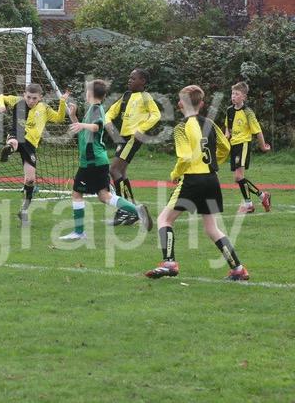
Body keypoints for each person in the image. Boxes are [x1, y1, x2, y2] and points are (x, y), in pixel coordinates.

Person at [145, 85, 249, 281]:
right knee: (212, 228)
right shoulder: (210, 123)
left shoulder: (181, 128)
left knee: (164, 220)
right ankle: (238, 269)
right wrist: (213, 162)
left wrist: (175, 173)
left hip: (193, 180)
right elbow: (226, 147)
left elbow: (185, 157)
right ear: (201, 103)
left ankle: (169, 263)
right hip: (211, 179)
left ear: (181, 104)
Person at [60, 80, 152, 240]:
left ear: (90, 93)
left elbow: (96, 127)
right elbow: (84, 131)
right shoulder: (93, 109)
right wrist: (74, 117)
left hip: (91, 162)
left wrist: (81, 124)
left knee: (76, 194)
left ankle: (79, 232)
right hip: (98, 161)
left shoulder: (96, 109)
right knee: (104, 196)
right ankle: (137, 210)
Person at [0, 83, 69, 225]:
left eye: (34, 98)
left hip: (30, 145)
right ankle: (8, 150)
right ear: (24, 95)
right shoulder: (17, 101)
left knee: (30, 180)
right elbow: (0, 97)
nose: (30, 100)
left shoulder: (44, 108)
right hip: (17, 135)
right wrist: (1, 106)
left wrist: (62, 102)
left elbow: (59, 118)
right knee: (14, 142)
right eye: (28, 97)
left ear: (40, 97)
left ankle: (23, 211)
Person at [105, 68, 161, 226]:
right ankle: (131, 209)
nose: (129, 80)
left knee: (114, 170)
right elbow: (109, 113)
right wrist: (109, 124)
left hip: (132, 138)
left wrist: (141, 129)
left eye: (133, 78)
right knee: (121, 172)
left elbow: (156, 115)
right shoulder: (126, 96)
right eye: (129, 78)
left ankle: (126, 210)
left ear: (142, 81)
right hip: (124, 138)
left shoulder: (146, 97)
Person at [224, 82, 271, 214]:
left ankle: (249, 204)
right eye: (232, 93)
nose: (233, 96)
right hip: (234, 145)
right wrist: (225, 138)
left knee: (239, 177)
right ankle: (262, 196)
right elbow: (228, 128)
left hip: (243, 144)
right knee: (238, 178)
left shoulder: (248, 112)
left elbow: (258, 131)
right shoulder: (229, 110)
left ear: (244, 96)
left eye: (237, 94)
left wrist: (263, 146)